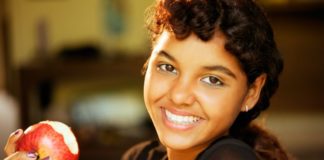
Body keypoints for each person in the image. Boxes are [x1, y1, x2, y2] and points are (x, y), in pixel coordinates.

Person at [4, 0, 290, 159]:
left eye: (212, 80)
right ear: (147, 64)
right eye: (167, 67)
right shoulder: (139, 156)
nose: (179, 95)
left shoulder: (230, 158)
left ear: (252, 92)